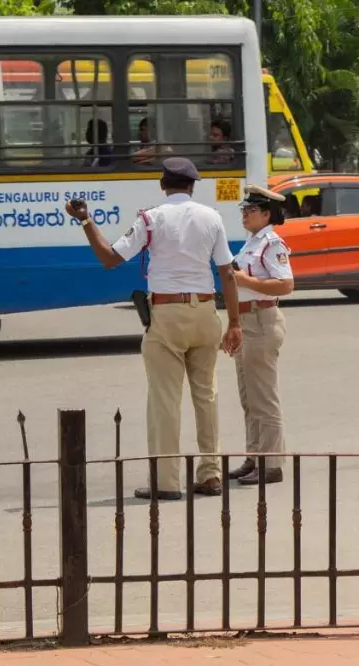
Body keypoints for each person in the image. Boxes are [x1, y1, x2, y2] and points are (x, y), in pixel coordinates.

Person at [64, 157, 243, 500]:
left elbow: (109, 257)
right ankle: (211, 474)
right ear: (192, 186)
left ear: (163, 185)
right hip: (206, 311)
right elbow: (228, 273)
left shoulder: (151, 218)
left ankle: (167, 481)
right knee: (207, 396)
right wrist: (234, 323)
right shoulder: (212, 218)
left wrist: (86, 219)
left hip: (167, 314)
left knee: (165, 400)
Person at [226, 185, 295, 486]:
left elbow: (285, 285)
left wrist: (245, 279)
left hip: (262, 318)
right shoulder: (252, 242)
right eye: (243, 209)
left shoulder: (272, 244)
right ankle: (254, 457)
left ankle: (272, 464)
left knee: (264, 397)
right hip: (245, 319)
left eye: (251, 210)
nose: (244, 214)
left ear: (267, 214)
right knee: (249, 397)